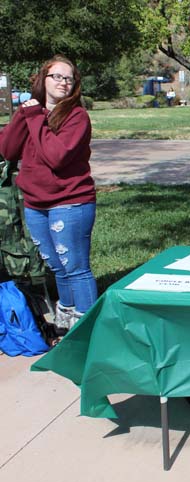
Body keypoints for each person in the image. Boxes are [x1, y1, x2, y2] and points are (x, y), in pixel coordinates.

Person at [0, 55, 98, 331]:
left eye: (69, 78)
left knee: (76, 268)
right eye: (57, 76)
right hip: (35, 204)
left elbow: (56, 156)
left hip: (70, 202)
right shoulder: (31, 113)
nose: (63, 82)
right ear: (43, 80)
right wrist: (23, 116)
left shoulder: (76, 116)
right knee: (58, 268)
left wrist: (34, 118)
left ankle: (88, 330)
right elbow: (7, 150)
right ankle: (66, 325)